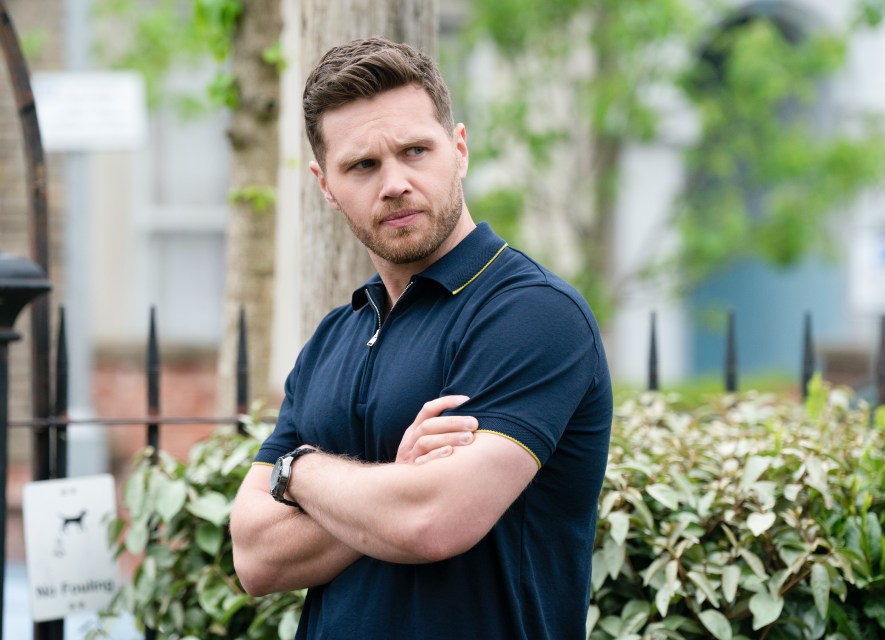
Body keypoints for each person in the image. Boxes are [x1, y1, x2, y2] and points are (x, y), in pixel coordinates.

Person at [230, 36, 612, 640]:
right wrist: (393, 479)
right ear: (325, 184)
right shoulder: (334, 338)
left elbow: (431, 521)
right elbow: (254, 556)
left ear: (458, 150)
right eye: (362, 165)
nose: (395, 183)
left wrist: (298, 471)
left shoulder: (533, 314)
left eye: (415, 151)